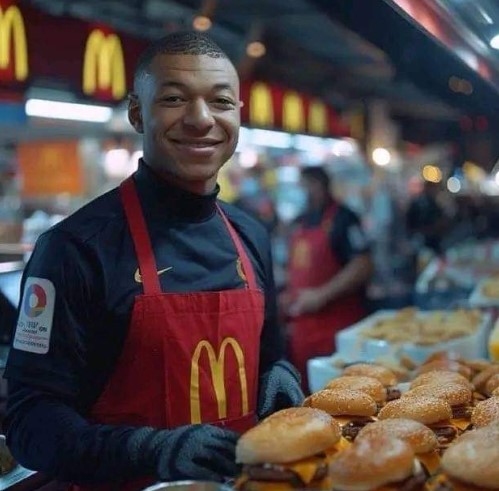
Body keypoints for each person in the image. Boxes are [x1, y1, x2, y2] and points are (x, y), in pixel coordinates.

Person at [4, 32, 304, 491]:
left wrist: (278, 373)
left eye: (221, 101)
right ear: (137, 113)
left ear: (238, 115)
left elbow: (270, 355)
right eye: (174, 99)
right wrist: (148, 449)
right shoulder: (74, 249)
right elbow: (29, 423)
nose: (201, 119)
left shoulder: (250, 235)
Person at [283, 166, 372, 392]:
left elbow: (363, 265)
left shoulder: (344, 218)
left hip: (338, 329)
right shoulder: (300, 222)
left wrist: (322, 295)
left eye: (306, 185)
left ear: (320, 186)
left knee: (343, 394)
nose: (302, 191)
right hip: (302, 331)